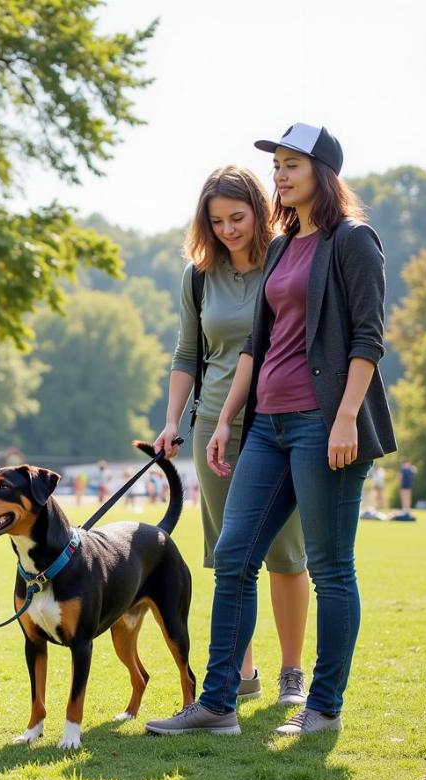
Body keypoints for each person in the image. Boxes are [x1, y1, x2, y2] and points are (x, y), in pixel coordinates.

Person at [148, 123, 396, 738]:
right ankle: (219, 704)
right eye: (278, 166)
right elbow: (256, 347)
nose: (280, 175)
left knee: (330, 567)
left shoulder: (353, 241)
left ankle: (323, 707)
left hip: (324, 425)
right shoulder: (285, 246)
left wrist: (344, 419)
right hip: (266, 426)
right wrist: (225, 418)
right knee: (233, 560)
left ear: (323, 173)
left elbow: (368, 338)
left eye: (293, 165)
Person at [155, 166, 310, 705]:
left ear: (260, 210)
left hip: (279, 420)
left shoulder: (287, 258)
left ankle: (293, 673)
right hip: (214, 427)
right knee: (229, 555)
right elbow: (187, 354)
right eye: (216, 220)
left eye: (237, 217)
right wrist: (173, 420)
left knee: (287, 554)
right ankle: (244, 673)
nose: (227, 229)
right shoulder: (198, 276)